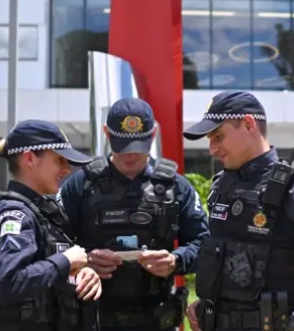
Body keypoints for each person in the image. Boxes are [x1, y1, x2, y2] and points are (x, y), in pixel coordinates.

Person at [182, 90, 294, 331]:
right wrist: (207, 303)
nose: (212, 149)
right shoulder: (222, 186)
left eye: (218, 137)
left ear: (248, 124)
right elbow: (226, 259)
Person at [57, 97, 210, 331]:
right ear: (107, 133)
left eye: (139, 147)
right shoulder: (81, 185)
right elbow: (54, 245)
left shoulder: (176, 187)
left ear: (153, 134)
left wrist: (175, 261)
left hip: (155, 318)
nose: (130, 155)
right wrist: (84, 261)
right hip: (94, 318)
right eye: (123, 146)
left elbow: (204, 244)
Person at [0, 120, 103, 331]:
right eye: (59, 160)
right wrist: (65, 262)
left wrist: (81, 274)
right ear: (30, 159)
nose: (66, 169)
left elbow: (46, 274)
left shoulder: (42, 213)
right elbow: (10, 283)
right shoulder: (14, 216)